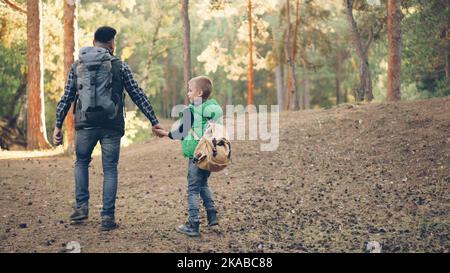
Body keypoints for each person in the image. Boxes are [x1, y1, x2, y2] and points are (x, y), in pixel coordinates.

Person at [53, 26, 165, 231]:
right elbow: (137, 93)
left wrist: (58, 125)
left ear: (94, 41)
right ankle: (107, 217)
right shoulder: (119, 65)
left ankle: (81, 208)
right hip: (111, 125)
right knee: (110, 169)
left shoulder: (78, 65)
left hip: (85, 123)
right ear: (111, 43)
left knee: (81, 163)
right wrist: (153, 120)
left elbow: (67, 96)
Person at [154, 76, 223, 237]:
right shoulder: (212, 109)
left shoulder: (190, 111)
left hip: (195, 155)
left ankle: (193, 223)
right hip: (209, 155)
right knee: (203, 184)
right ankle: (212, 218)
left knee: (193, 189)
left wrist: (164, 133)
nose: (188, 93)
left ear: (199, 93)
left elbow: (180, 133)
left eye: (190, 90)